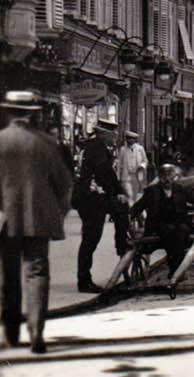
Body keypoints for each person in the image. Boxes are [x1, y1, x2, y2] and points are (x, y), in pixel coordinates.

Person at [0, 91, 73, 354]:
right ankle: (37, 333)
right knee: (37, 273)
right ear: (32, 113)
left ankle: (12, 332)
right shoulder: (47, 143)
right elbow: (64, 184)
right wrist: (56, 212)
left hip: (4, 218)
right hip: (38, 219)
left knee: (9, 274)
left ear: (8, 112)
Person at [74, 119, 128, 293]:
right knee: (90, 239)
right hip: (92, 199)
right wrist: (117, 192)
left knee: (92, 237)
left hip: (94, 197)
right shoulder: (97, 149)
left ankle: (122, 246)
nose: (115, 137)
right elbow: (105, 174)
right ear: (104, 134)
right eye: (113, 134)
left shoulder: (95, 146)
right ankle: (84, 280)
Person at [130, 163, 192, 276]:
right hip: (159, 224)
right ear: (159, 177)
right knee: (167, 232)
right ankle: (175, 268)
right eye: (164, 176)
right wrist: (128, 216)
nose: (167, 179)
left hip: (179, 223)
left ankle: (175, 268)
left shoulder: (180, 189)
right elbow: (139, 206)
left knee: (182, 231)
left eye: (169, 175)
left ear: (174, 176)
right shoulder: (152, 191)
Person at [115, 130, 148, 206]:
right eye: (128, 138)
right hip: (126, 176)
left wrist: (142, 166)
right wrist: (118, 177)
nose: (129, 140)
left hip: (136, 176)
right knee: (129, 193)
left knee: (135, 194)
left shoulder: (140, 149)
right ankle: (131, 210)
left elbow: (145, 160)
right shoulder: (123, 150)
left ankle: (133, 210)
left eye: (131, 138)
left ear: (135, 139)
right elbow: (119, 164)